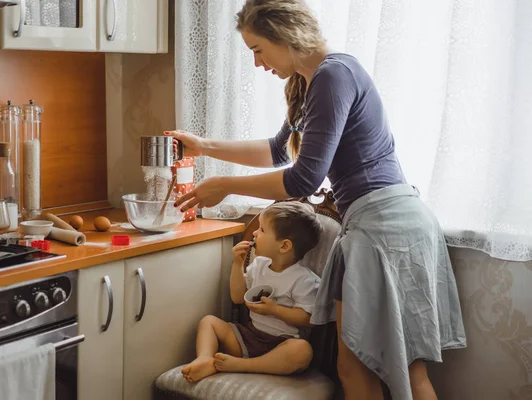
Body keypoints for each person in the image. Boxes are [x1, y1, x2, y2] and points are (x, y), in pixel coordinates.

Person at [167, 0, 466, 399]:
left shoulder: (333, 75)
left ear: (285, 34)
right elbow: (278, 151)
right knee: (394, 369)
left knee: (370, 368)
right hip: (383, 222)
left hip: (384, 227)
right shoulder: (312, 81)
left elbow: (304, 177)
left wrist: (227, 185)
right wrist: (204, 146)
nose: (257, 63)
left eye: (258, 49)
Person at [181, 201, 323, 383]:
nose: (255, 233)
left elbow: (308, 319)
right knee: (209, 322)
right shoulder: (259, 265)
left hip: (281, 346)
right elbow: (237, 297)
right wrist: (237, 264)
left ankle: (242, 365)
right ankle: (205, 359)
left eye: (262, 230)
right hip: (247, 337)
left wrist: (275, 310)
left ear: (284, 246)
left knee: (302, 351)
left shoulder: (304, 280)